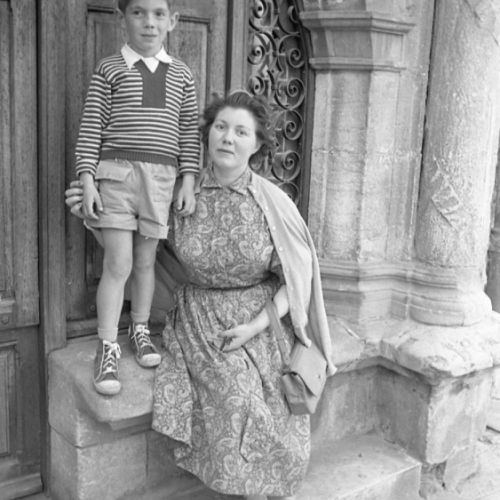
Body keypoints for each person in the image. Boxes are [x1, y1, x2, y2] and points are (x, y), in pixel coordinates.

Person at [66, 91, 336, 500]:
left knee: (278, 408)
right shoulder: (178, 194)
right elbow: (138, 252)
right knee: (239, 399)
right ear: (207, 134)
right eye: (221, 127)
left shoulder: (272, 203)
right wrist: (94, 213)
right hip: (202, 320)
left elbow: (296, 280)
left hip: (263, 321)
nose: (228, 138)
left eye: (241, 132)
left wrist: (256, 325)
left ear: (257, 144)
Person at [75, 0, 200, 395]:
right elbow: (91, 127)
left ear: (172, 21)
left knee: (146, 261)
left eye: (158, 14)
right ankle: (107, 345)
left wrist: (188, 180)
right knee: (119, 263)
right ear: (122, 17)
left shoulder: (182, 75)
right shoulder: (109, 69)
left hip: (160, 181)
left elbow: (188, 133)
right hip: (116, 176)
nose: (149, 22)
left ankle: (140, 329)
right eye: (138, 12)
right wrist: (87, 179)